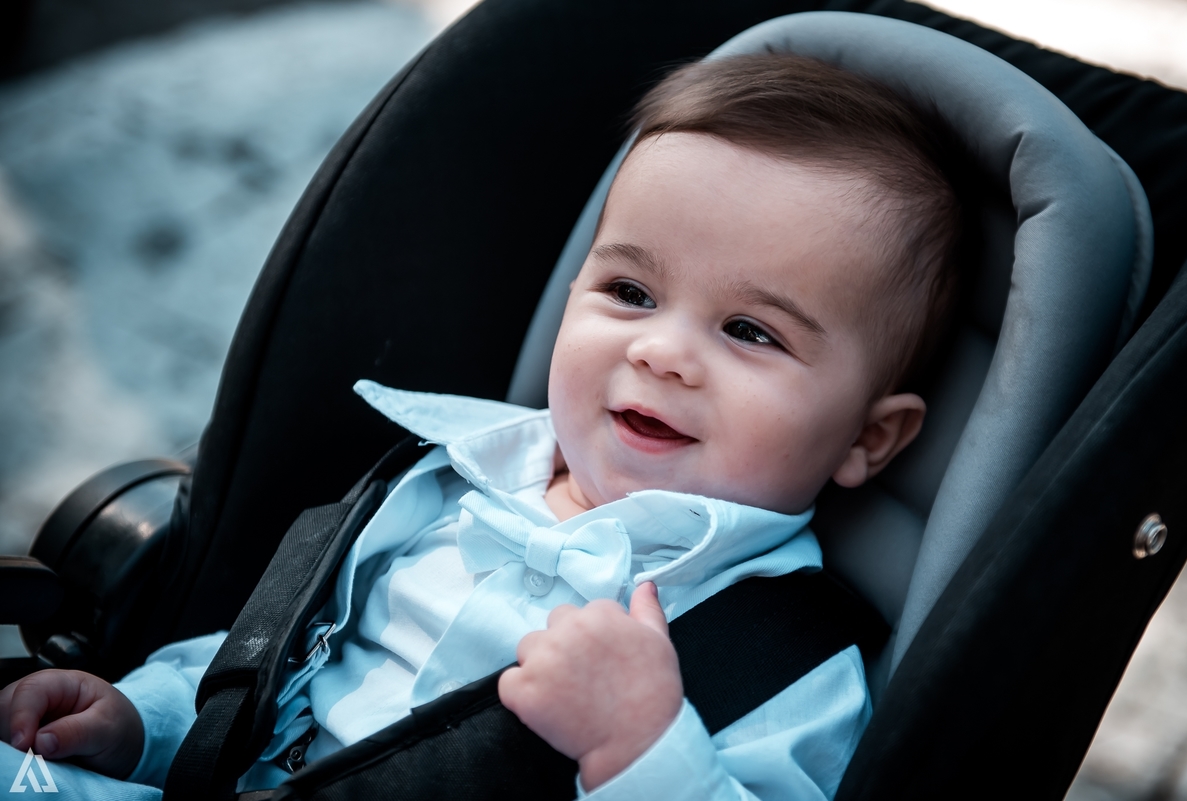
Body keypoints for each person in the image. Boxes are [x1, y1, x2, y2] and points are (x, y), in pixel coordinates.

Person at [0, 52, 964, 799]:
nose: (661, 351)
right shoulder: (443, 484)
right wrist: (144, 719)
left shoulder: (784, 659)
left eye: (749, 330)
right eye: (630, 290)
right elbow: (270, 666)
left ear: (866, 442)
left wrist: (641, 747)